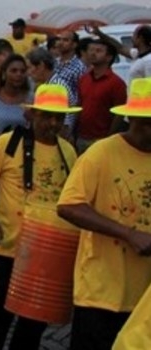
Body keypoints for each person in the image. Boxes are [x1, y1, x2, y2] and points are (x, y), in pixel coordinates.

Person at [0, 84, 79, 349]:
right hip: (9, 250)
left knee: (34, 322)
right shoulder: (8, 144)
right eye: (46, 116)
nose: (53, 123)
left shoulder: (68, 151)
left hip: (47, 255)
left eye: (58, 117)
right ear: (31, 115)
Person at [57, 78, 151, 350]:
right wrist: (128, 233)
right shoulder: (101, 153)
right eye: (146, 123)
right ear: (130, 120)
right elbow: (69, 205)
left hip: (144, 297)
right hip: (101, 292)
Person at [75, 39, 128, 152]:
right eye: (91, 50)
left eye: (99, 51)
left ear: (109, 57)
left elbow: (119, 114)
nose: (93, 53)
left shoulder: (116, 83)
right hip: (81, 136)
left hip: (102, 138)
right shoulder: (84, 79)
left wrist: (109, 136)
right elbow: (79, 105)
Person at [52, 31, 87, 136]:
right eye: (60, 39)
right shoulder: (54, 63)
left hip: (66, 119)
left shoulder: (79, 68)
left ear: (74, 44)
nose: (61, 43)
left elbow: (79, 97)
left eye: (66, 40)